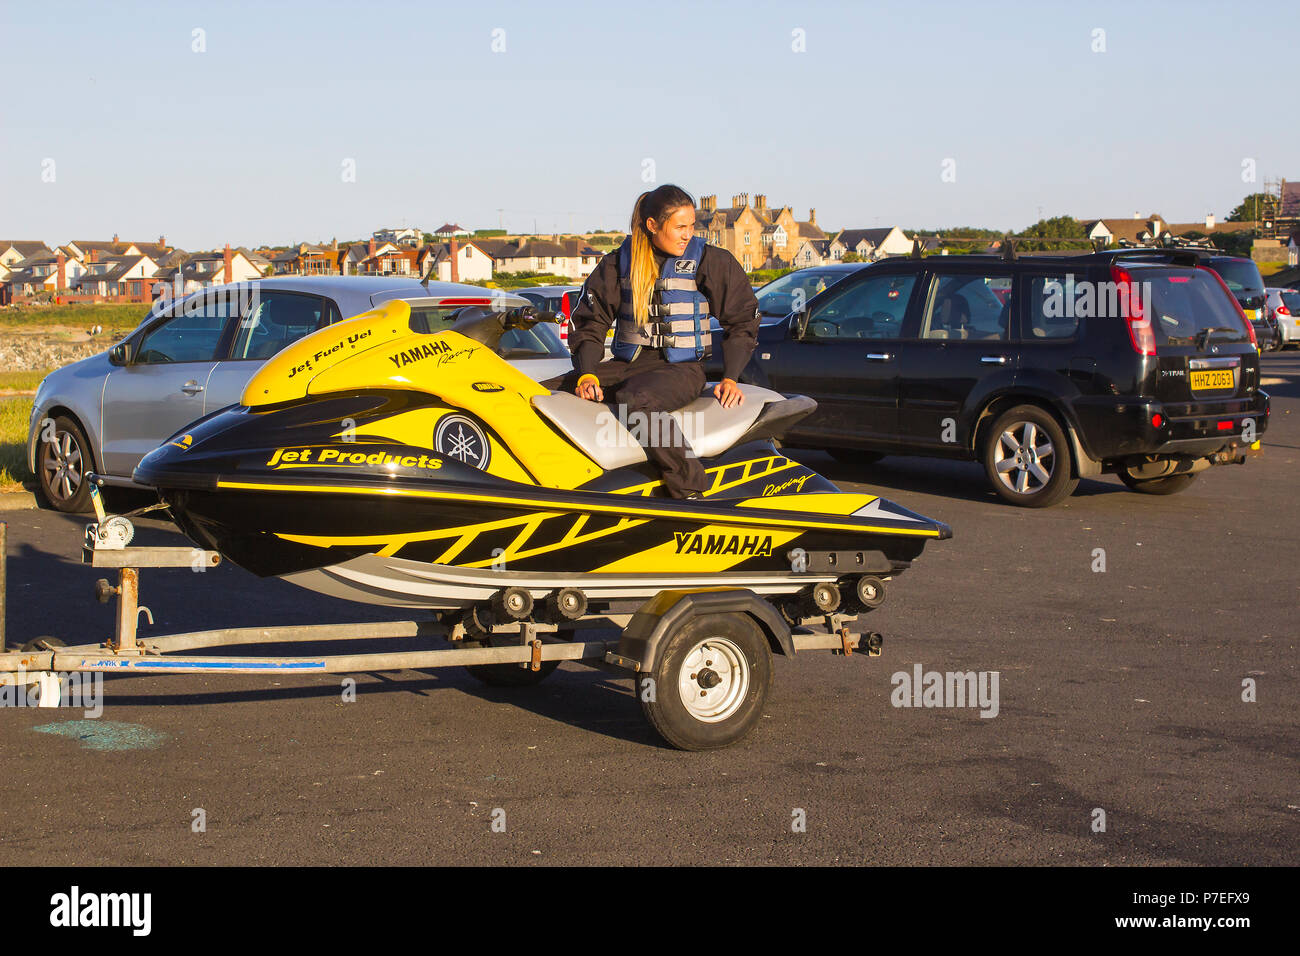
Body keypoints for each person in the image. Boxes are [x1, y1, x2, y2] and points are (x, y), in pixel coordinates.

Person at [549, 185, 760, 498]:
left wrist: (731, 376)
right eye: (679, 227)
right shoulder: (616, 264)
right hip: (629, 365)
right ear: (652, 226)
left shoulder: (710, 261)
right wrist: (588, 371)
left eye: (691, 226)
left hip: (681, 369)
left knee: (637, 400)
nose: (688, 234)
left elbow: (743, 319)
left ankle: (690, 489)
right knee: (548, 392)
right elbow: (590, 322)